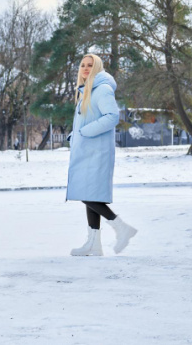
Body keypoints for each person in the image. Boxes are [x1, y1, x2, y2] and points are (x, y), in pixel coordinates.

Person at [67, 54, 137, 256]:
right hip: (86, 151)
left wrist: (85, 132)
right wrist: (75, 135)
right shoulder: (87, 91)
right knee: (89, 194)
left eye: (91, 65)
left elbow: (112, 116)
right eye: (83, 65)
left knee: (86, 194)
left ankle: (122, 227)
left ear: (98, 68)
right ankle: (94, 244)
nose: (86, 68)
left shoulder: (103, 90)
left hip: (96, 153)